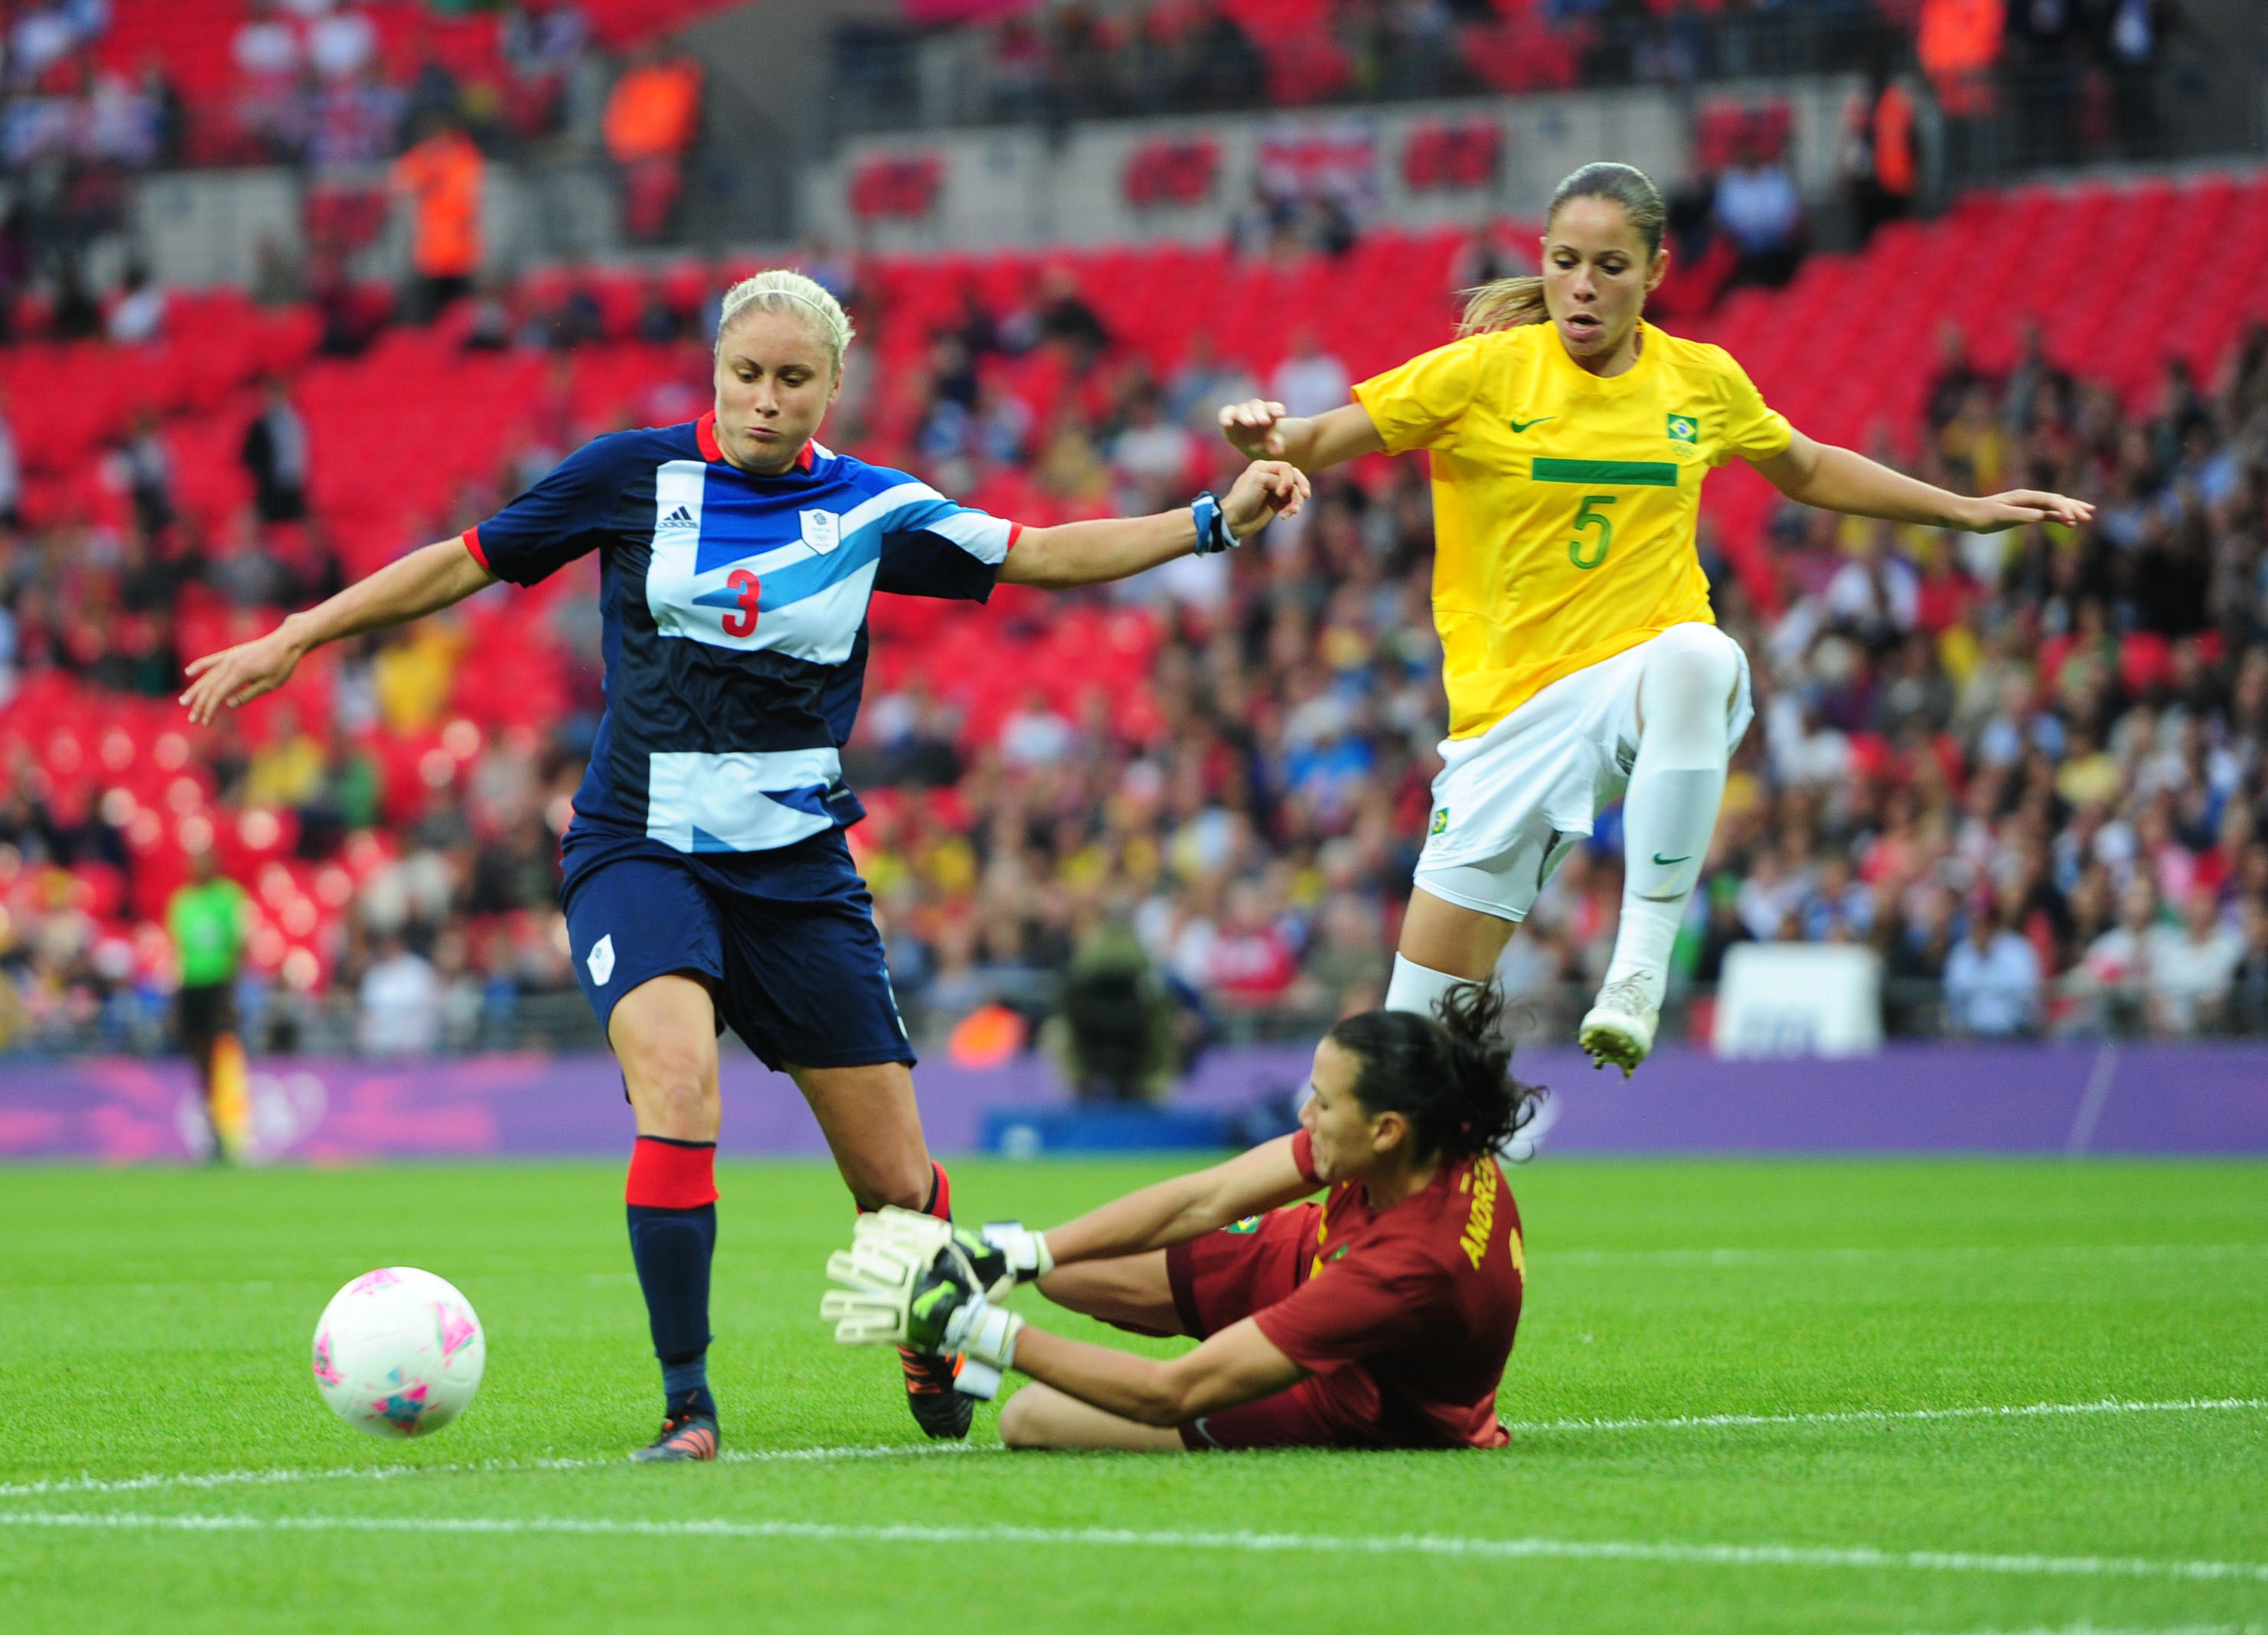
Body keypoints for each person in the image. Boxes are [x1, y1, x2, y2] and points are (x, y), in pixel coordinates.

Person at [178, 269, 1308, 1461]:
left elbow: (1040, 553)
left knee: (895, 1184)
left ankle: (930, 1331)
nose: (766, 400)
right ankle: (687, 1407)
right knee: (676, 1087)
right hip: (639, 850)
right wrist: (296, 635)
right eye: (746, 375)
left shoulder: (876, 512)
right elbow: (463, 559)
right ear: (715, 370)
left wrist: (1210, 521)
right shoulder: (631, 475)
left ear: (834, 384)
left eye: (794, 380)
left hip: (799, 876)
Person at [1216, 162, 2091, 1079]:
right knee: (1411, 1056)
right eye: (1562, 262)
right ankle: (1387, 1210)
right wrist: (1261, 437)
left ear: (1655, 272)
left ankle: (1635, 972)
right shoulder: (1481, 374)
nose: (1582, 286)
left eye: (1608, 266)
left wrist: (1963, 510)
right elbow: (1317, 437)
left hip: (1634, 684)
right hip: (1505, 726)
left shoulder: (1699, 382)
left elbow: (1807, 466)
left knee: (1699, 657)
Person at [822, 982, 1539, 1451]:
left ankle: (976, 1336)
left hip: (1365, 1400)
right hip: (1317, 1256)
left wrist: (976, 1329)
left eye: (1323, 1102)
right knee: (1068, 1271)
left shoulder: (1405, 1268)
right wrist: (1023, 1253)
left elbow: (1173, 1390)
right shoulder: (1421, 1132)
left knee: (1029, 1420)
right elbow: (1208, 1197)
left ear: (1385, 1130)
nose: (1303, 1114)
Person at [167, 846, 250, 1163]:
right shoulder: (182, 902)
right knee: (201, 1064)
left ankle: (234, 1129)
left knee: (226, 1057)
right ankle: (213, 1131)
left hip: (219, 985)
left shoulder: (227, 897)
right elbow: (179, 954)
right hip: (192, 987)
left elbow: (236, 944)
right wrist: (177, 999)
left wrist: (230, 992)